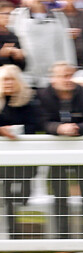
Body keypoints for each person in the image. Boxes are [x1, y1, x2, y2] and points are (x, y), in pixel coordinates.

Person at [39, 61, 83, 237]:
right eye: (62, 76)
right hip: (56, 154)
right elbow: (41, 121)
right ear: (53, 78)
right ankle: (62, 240)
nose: (67, 79)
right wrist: (58, 128)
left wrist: (77, 129)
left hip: (81, 152)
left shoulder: (82, 94)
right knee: (59, 197)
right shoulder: (43, 95)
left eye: (70, 75)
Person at [0, 64, 42, 236]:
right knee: (8, 197)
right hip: (4, 160)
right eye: (4, 79)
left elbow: (35, 125)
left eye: (11, 79)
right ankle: (13, 235)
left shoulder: (30, 102)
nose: (8, 83)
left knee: (20, 197)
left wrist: (18, 131)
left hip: (26, 159)